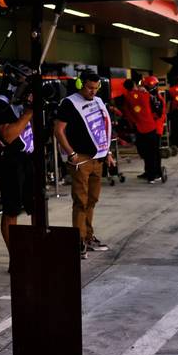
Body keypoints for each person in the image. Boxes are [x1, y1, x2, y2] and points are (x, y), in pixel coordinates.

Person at [55, 70, 114, 258]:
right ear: (80, 84)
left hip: (98, 158)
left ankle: (88, 236)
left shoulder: (98, 101)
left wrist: (108, 152)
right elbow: (58, 130)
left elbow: (102, 127)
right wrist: (71, 154)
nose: (93, 92)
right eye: (89, 87)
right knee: (80, 201)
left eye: (96, 88)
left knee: (92, 200)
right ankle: (78, 240)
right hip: (81, 159)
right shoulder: (69, 103)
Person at [0, 74, 35, 247]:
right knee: (11, 210)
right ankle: (16, 257)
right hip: (11, 161)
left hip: (28, 157)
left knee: (37, 206)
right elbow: (9, 136)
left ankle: (37, 250)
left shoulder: (18, 102)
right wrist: (29, 112)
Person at [122, 75, 162, 182]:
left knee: (145, 152)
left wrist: (133, 124)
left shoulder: (126, 97)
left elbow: (126, 113)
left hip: (139, 129)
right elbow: (157, 110)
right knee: (153, 153)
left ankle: (150, 173)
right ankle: (153, 175)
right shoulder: (146, 94)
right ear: (135, 85)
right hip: (151, 127)